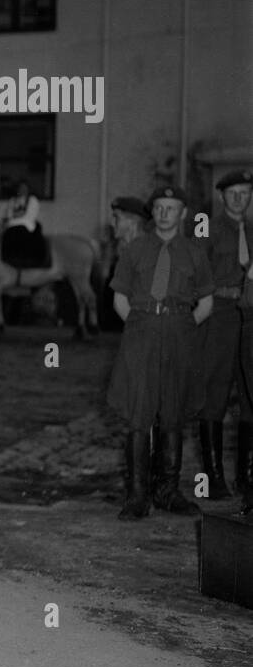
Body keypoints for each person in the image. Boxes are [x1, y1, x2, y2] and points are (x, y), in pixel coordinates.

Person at [107, 185, 214, 519]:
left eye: (172, 207)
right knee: (139, 413)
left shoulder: (195, 253)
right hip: (141, 333)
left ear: (183, 213)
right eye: (160, 207)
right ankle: (138, 495)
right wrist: (144, 327)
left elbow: (207, 303)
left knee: (173, 411)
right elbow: (119, 299)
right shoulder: (135, 250)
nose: (165, 213)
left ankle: (168, 491)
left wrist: (179, 327)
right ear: (152, 213)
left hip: (180, 334)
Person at [194, 169, 253, 501]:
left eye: (245, 193)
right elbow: (194, 274)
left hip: (250, 319)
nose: (239, 199)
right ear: (221, 196)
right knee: (215, 390)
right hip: (219, 317)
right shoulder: (208, 228)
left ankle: (246, 477)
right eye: (233, 193)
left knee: (249, 394)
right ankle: (214, 477)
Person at [1, 180, 44, 270]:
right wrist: (12, 220)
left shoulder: (32, 200)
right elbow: (9, 215)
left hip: (26, 225)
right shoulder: (12, 201)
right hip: (12, 226)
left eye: (24, 188)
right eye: (20, 188)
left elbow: (30, 215)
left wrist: (14, 219)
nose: (22, 190)